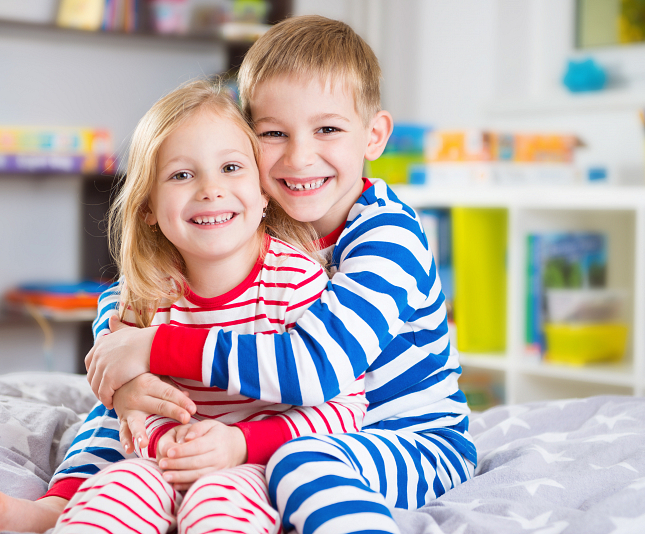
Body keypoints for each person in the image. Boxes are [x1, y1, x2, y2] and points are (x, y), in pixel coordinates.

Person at [84, 15, 477, 534]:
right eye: (274, 133)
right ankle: (60, 507)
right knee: (112, 418)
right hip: (310, 422)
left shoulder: (389, 237)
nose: (299, 156)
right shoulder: (267, 211)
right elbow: (140, 289)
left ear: (374, 136)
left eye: (328, 129)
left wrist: (155, 348)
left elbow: (317, 368)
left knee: (297, 464)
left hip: (410, 436)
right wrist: (126, 368)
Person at [0, 79, 366, 534]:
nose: (210, 190)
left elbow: (343, 407)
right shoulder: (145, 291)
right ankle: (57, 511)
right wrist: (161, 438)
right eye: (182, 175)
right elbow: (117, 379)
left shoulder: (295, 280)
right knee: (118, 483)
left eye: (232, 167)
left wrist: (241, 443)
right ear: (148, 208)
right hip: (157, 454)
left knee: (216, 502)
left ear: (264, 195)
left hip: (252, 460)